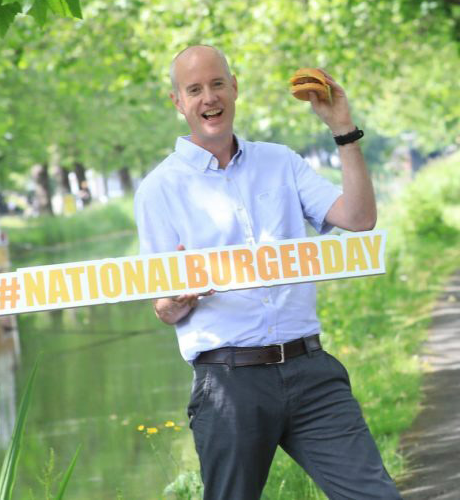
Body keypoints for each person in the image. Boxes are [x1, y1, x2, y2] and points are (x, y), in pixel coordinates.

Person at [134, 45, 401, 500]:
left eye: (217, 84)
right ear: (177, 102)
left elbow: (359, 218)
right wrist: (175, 301)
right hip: (228, 384)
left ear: (234, 88)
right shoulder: (159, 188)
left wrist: (343, 131)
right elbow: (163, 307)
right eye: (194, 89)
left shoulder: (281, 161)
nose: (208, 98)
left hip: (311, 371)